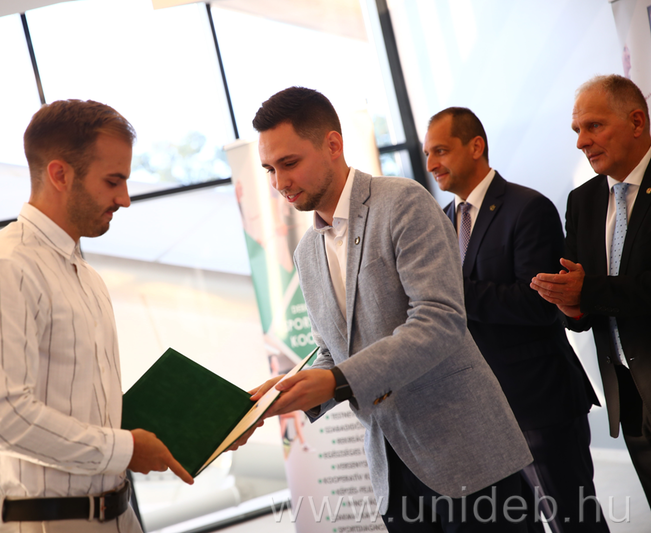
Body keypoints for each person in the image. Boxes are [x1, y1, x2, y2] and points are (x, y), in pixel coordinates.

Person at [250, 86, 532, 532]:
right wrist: (287, 392)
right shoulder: (306, 252)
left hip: (465, 452)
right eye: (269, 169)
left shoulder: (402, 202)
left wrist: (336, 380)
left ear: (332, 144)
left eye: (289, 163)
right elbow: (332, 353)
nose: (279, 182)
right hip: (391, 469)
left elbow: (440, 320)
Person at [0, 99, 195, 533]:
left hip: (117, 515)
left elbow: (86, 411)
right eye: (113, 181)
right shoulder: (4, 267)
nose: (124, 199)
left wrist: (193, 430)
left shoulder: (87, 276)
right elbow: (1, 419)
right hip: (41, 523)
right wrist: (124, 449)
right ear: (60, 174)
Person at [425, 107, 607, 532]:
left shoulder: (527, 208)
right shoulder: (443, 222)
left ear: (476, 146)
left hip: (538, 405)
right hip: (482, 413)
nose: (431, 163)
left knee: (573, 522)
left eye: (441, 150)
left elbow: (540, 304)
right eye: (427, 153)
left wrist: (449, 293)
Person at [531, 74, 651, 507]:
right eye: (577, 130)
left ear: (636, 122)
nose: (582, 141)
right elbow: (582, 307)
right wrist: (569, 303)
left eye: (594, 126)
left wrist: (586, 292)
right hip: (629, 394)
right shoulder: (582, 200)